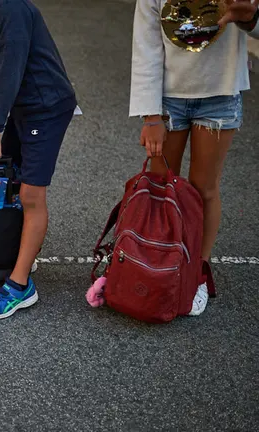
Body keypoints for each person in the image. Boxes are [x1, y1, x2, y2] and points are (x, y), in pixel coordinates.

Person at [131, 0, 259, 315]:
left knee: (204, 189)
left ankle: (197, 270)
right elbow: (145, 47)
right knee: (162, 187)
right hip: (167, 98)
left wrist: (249, 17)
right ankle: (157, 262)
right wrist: (151, 117)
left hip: (220, 93)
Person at [0, 0, 77, 319]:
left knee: (31, 195)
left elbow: (9, 72)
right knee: (11, 179)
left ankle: (20, 286)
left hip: (44, 109)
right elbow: (0, 73)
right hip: (25, 106)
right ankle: (24, 252)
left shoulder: (11, 9)